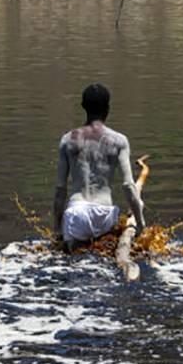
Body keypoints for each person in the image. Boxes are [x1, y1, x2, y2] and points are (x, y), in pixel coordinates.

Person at [53, 84, 145, 251]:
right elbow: (128, 185)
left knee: (73, 259)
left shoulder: (67, 140)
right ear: (107, 108)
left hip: (76, 213)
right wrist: (140, 224)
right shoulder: (119, 140)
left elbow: (60, 188)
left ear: (83, 107)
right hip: (105, 215)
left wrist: (56, 230)